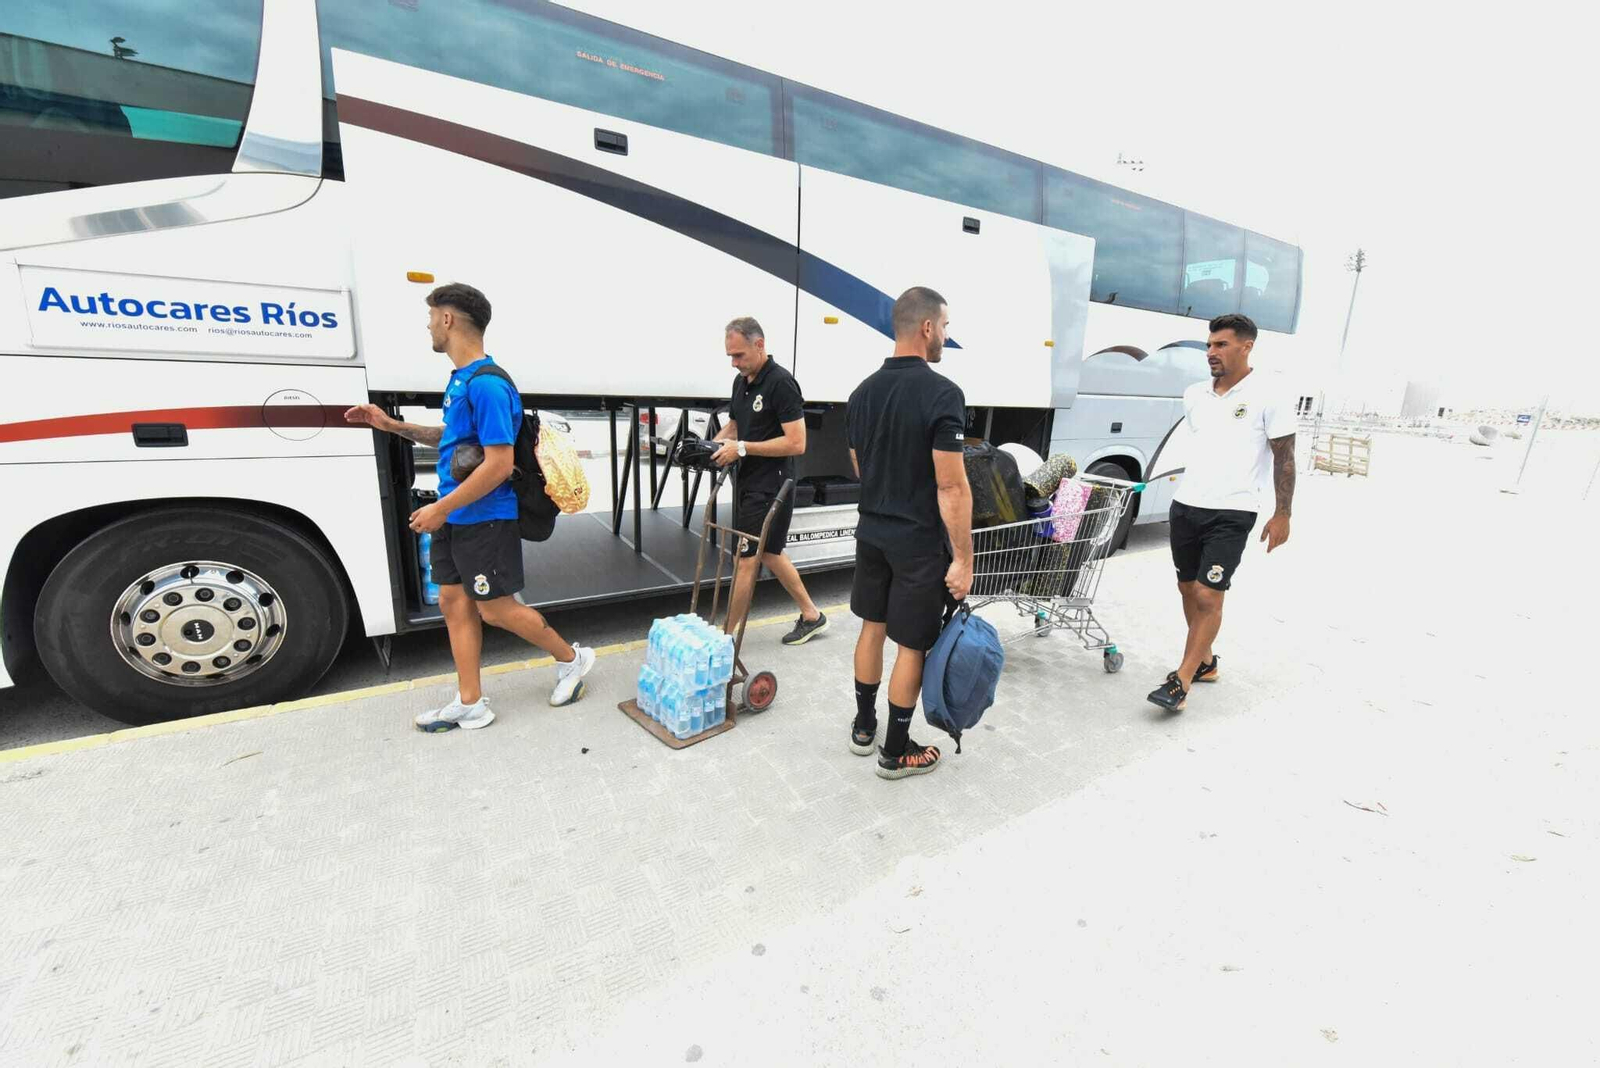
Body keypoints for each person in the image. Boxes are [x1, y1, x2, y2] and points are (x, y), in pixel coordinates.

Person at [345, 283, 595, 730]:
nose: (427, 326)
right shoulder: (461, 380)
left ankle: (572, 659)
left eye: (430, 317)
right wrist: (391, 425)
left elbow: (499, 464)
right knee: (453, 603)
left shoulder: (488, 385)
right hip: (457, 515)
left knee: (495, 609)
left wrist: (441, 509)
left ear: (448, 319)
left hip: (485, 517)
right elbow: (457, 441)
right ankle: (470, 701)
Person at [845, 287, 973, 779]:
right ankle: (896, 751)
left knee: (871, 627)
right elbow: (951, 486)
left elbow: (860, 464)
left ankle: (863, 727)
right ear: (926, 327)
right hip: (918, 542)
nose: (945, 335)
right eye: (944, 325)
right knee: (911, 646)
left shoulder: (862, 392)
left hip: (871, 532)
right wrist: (963, 559)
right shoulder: (943, 393)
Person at [1147, 312, 1296, 713]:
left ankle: (1182, 679)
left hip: (1233, 511)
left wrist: (1282, 513)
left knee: (1208, 594)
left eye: (1221, 344)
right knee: (1187, 590)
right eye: (1210, 344)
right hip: (1187, 507)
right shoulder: (1195, 393)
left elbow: (1284, 458)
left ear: (1246, 347)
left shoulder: (1271, 394)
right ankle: (1207, 662)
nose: (1211, 352)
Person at [710, 317, 828, 646]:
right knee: (772, 553)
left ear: (759, 345)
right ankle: (812, 615)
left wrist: (743, 449)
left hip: (772, 485)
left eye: (739, 355)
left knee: (745, 560)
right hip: (749, 481)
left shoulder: (781, 384)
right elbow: (735, 425)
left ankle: (725, 640)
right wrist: (712, 448)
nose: (734, 363)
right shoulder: (742, 381)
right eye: (730, 357)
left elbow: (797, 443)